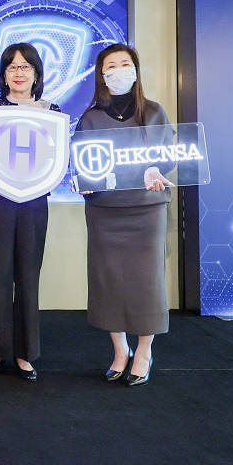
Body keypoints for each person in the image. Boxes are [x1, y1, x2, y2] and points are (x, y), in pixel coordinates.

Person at [76, 43, 173, 387]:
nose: (118, 70)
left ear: (135, 69)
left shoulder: (155, 112)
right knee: (108, 281)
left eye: (125, 63)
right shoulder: (90, 117)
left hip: (146, 210)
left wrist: (157, 169)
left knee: (147, 281)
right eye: (110, 65)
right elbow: (81, 163)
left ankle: (144, 351)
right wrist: (84, 181)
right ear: (102, 75)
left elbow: (172, 157)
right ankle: (120, 350)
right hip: (105, 211)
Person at [0, 42, 62, 382]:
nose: (18, 72)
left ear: (36, 74)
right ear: (3, 75)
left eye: (25, 67)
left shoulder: (52, 112)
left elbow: (58, 161)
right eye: (12, 67)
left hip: (35, 203)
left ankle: (25, 353)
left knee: (27, 278)